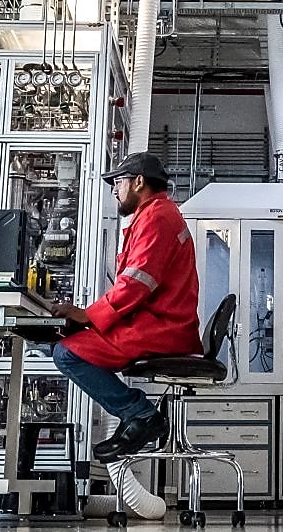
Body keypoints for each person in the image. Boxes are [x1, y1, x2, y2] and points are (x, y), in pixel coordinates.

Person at [48, 152, 200, 462]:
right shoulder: (154, 215)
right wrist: (90, 318)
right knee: (68, 345)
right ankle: (134, 415)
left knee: (67, 353)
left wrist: (88, 315)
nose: (115, 190)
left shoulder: (157, 218)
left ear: (138, 182)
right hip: (157, 322)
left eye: (118, 182)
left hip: (161, 327)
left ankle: (141, 414)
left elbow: (135, 283)